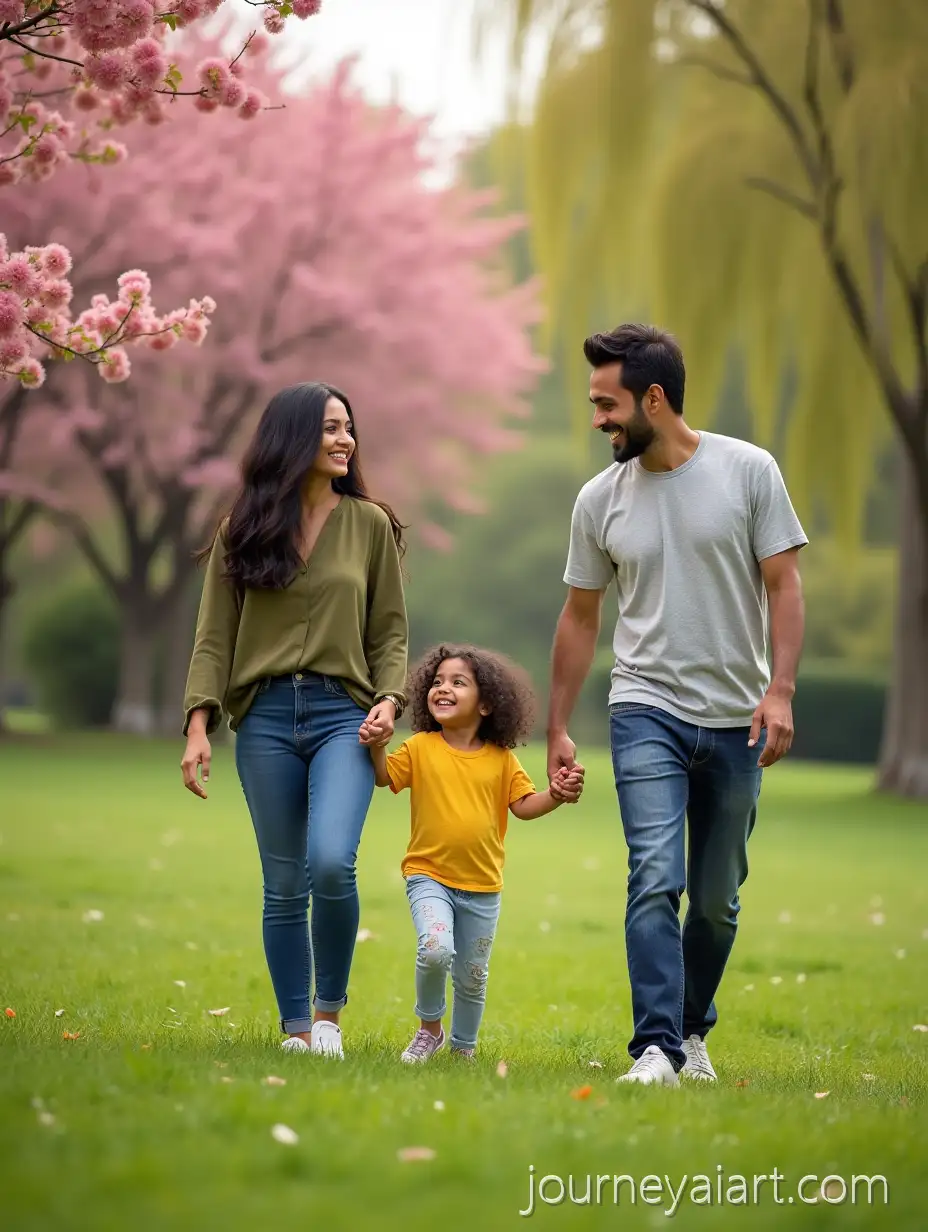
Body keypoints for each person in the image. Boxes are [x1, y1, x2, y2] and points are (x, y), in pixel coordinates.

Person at [547, 324, 808, 1086]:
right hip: (644, 707)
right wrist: (559, 726)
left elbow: (784, 585)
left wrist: (781, 690)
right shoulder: (600, 501)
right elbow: (581, 616)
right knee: (654, 874)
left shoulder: (748, 471)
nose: (597, 418)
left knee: (719, 900)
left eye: (607, 403)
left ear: (653, 400)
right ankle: (656, 1048)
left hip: (736, 718)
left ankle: (693, 1032)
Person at [181, 381, 408, 1060]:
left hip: (345, 716)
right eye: (330, 429)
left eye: (349, 428)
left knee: (333, 863)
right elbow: (214, 636)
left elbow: (391, 632)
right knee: (284, 882)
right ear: (292, 438)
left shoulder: (368, 524)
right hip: (267, 720)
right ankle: (297, 1032)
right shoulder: (241, 532)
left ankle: (329, 1017)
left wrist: (389, 700)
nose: (345, 440)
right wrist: (198, 724)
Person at [367, 644, 584, 1063]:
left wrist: (555, 795)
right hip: (427, 875)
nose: (442, 689)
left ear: (487, 704)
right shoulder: (420, 747)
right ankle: (430, 1029)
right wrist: (378, 744)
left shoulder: (502, 761)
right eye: (437, 682)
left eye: (457, 683)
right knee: (435, 949)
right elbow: (383, 777)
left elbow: (523, 806)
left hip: (483, 888)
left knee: (472, 977)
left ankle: (462, 1050)